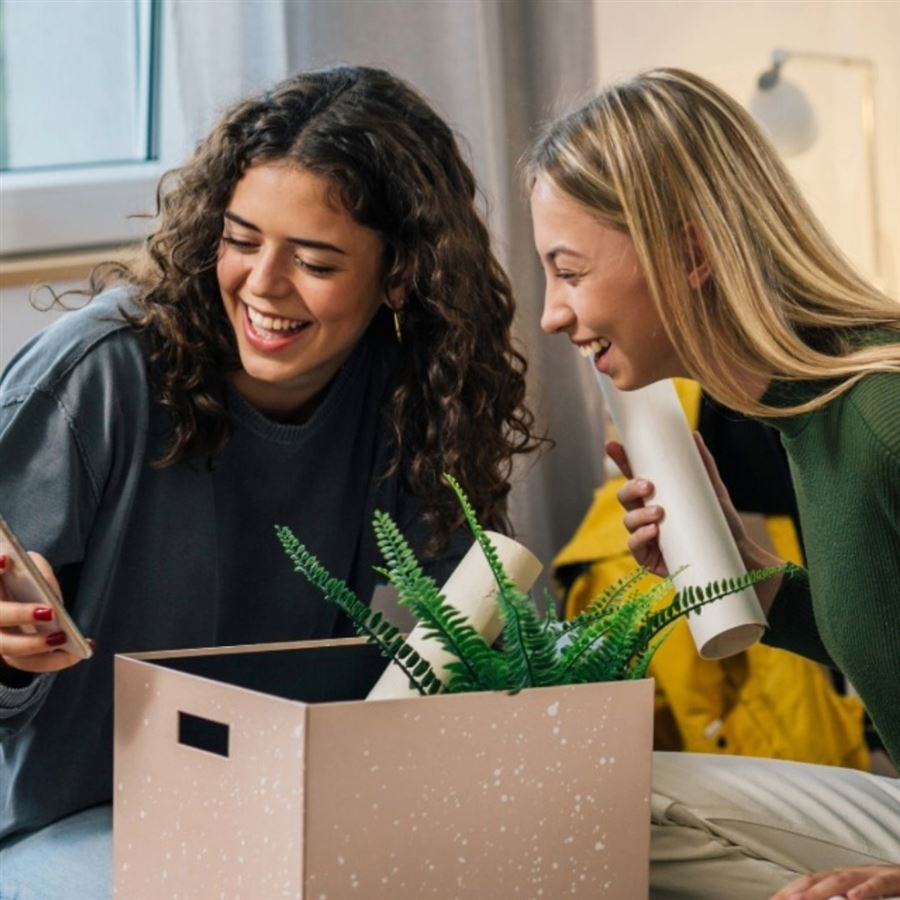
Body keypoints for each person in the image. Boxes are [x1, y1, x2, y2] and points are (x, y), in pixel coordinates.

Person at [0, 65, 542, 900]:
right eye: (242, 240)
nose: (262, 285)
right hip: (55, 821)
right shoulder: (96, 379)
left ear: (399, 275)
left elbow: (459, 648)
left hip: (274, 814)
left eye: (315, 261)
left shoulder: (409, 401)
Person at [527, 67, 900, 900]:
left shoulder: (882, 416)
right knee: (607, 799)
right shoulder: (804, 414)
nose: (551, 314)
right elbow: (881, 629)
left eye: (570, 271)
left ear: (690, 253)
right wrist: (747, 574)